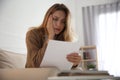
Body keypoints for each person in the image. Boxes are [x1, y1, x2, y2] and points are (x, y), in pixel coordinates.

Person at [25, 3, 81, 69]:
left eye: (63, 22)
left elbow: (64, 66)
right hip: (35, 74)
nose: (59, 25)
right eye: (55, 19)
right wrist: (50, 37)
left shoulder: (64, 37)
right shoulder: (32, 34)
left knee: (79, 70)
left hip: (55, 74)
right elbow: (35, 64)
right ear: (47, 18)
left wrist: (74, 63)